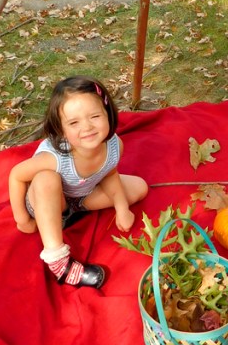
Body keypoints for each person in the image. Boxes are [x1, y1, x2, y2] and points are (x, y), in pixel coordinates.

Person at [9, 76, 148, 289]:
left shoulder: (114, 145)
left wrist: (122, 208)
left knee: (139, 187)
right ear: (61, 129)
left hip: (82, 194)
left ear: (107, 113)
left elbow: (110, 175)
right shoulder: (56, 157)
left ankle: (73, 212)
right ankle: (59, 263)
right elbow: (16, 175)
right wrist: (22, 219)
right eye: (74, 123)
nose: (87, 127)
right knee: (47, 178)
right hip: (43, 199)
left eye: (94, 116)